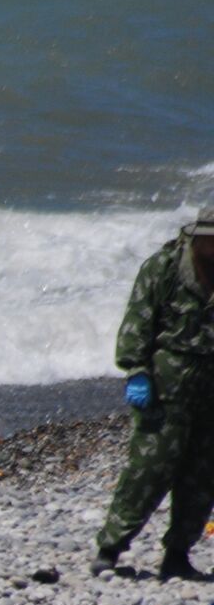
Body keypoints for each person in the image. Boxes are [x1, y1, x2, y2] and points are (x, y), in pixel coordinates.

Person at [92, 206, 214, 582]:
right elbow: (138, 321)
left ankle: (177, 555)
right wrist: (137, 371)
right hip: (167, 384)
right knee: (149, 468)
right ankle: (110, 549)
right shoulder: (164, 267)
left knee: (202, 474)